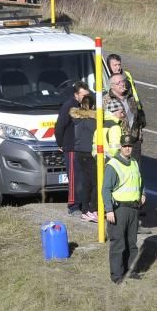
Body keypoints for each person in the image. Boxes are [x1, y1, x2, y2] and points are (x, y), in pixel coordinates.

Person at [104, 134, 145, 283]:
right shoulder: (113, 165)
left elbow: (140, 180)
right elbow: (106, 189)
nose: (128, 149)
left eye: (130, 146)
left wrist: (143, 193)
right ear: (120, 147)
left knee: (132, 242)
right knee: (118, 243)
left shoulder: (134, 162)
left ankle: (131, 269)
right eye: (125, 146)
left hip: (133, 208)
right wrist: (109, 210)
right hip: (119, 210)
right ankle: (116, 275)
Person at [55, 80, 89, 216]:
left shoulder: (85, 106)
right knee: (74, 177)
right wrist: (61, 144)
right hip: (71, 147)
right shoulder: (69, 106)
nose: (85, 97)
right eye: (83, 95)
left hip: (83, 147)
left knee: (84, 177)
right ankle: (73, 205)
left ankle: (83, 203)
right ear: (76, 94)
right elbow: (59, 127)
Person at [70, 92, 98, 222]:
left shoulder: (76, 118)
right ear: (93, 106)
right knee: (94, 182)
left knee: (85, 182)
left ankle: (85, 209)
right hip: (89, 153)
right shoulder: (93, 120)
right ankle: (91, 210)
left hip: (78, 152)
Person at [93, 97, 124, 162]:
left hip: (99, 162)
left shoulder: (99, 125)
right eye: (121, 112)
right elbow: (115, 149)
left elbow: (95, 147)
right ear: (113, 112)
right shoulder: (115, 127)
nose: (122, 115)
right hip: (112, 162)